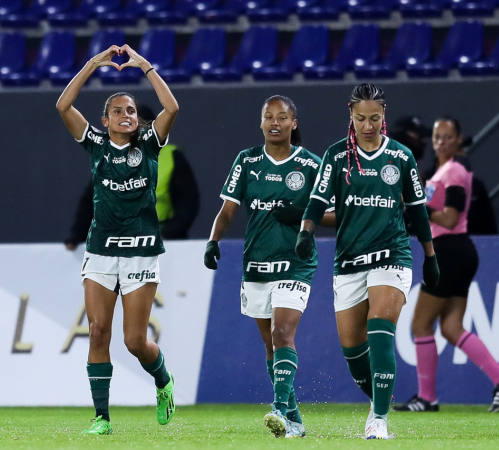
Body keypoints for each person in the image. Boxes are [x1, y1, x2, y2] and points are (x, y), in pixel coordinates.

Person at [295, 83, 440, 440]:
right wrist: (306, 230)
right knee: (352, 348)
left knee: (380, 325)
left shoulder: (402, 157)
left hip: (392, 255)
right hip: (349, 261)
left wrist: (430, 255)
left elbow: (418, 212)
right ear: (351, 115)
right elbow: (317, 199)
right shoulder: (336, 156)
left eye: (375, 118)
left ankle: (378, 419)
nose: (368, 125)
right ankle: (381, 399)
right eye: (361, 118)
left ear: (384, 115)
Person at [56, 44, 179, 435]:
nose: (127, 116)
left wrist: (145, 66)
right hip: (101, 252)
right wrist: (93, 63)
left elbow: (172, 108)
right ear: (104, 120)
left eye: (131, 111)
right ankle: (101, 417)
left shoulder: (150, 144)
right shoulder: (94, 144)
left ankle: (163, 382)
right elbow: (62, 106)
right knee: (97, 331)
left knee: (134, 341)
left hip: (142, 254)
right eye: (118, 111)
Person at [203, 95, 335, 439]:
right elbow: (228, 210)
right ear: (261, 123)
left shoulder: (310, 165)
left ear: (294, 123)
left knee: (282, 333)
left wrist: (305, 216)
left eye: (283, 116)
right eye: (268, 116)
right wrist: (213, 240)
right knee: (269, 345)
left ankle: (278, 408)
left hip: (296, 263)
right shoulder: (247, 162)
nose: (275, 122)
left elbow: (339, 213)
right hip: (257, 264)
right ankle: (294, 420)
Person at [394, 117, 499, 414]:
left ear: (459, 140)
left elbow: (449, 219)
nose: (441, 141)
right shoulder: (444, 171)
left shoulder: (454, 171)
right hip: (459, 252)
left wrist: (417, 205)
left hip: (449, 251)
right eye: (437, 136)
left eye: (448, 136)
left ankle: (427, 398)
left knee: (420, 324)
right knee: (451, 327)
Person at [64, 106, 199, 249]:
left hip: (161, 239)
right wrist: (77, 235)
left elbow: (188, 203)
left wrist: (170, 234)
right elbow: (91, 202)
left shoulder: (170, 157)